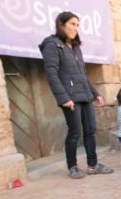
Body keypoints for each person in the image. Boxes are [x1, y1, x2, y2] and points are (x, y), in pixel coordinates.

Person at [39, 12, 113, 179]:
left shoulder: (75, 47)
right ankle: (72, 166)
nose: (75, 28)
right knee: (74, 132)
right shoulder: (53, 45)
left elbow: (82, 74)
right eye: (72, 24)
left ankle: (93, 165)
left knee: (91, 130)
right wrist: (64, 98)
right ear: (62, 24)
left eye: (77, 25)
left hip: (85, 95)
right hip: (70, 97)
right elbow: (51, 74)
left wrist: (95, 93)